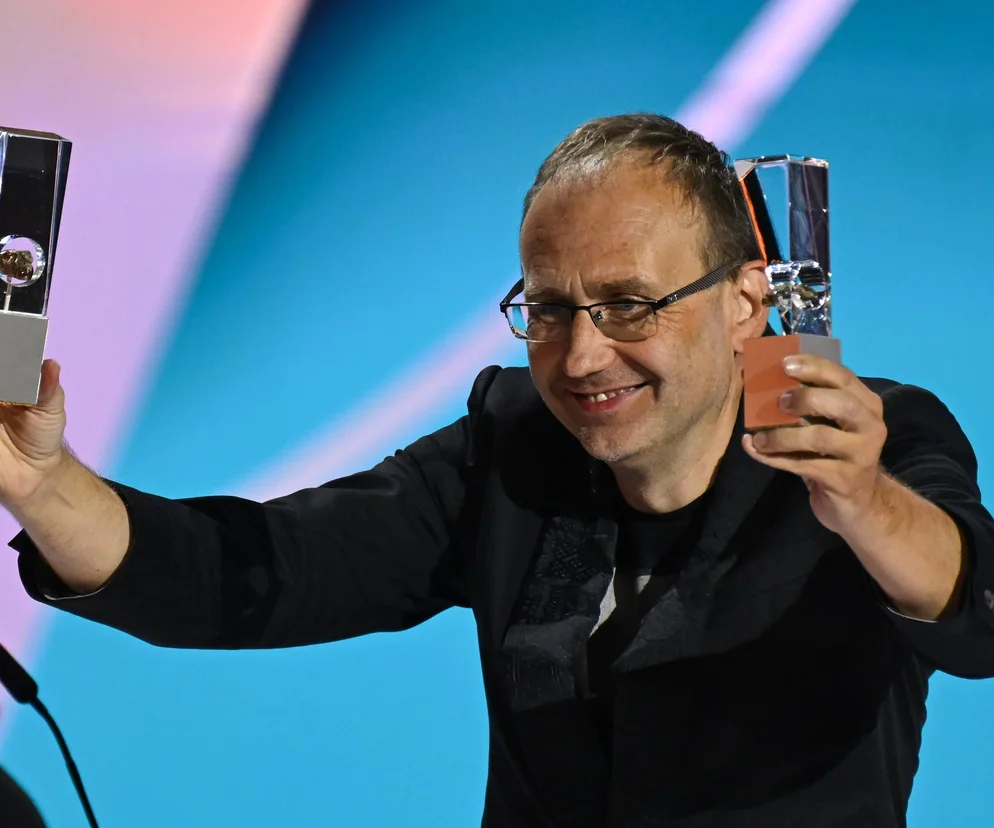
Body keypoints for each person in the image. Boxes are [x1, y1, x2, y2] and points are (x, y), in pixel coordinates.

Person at [5, 114, 994, 827]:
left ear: (745, 302)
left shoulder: (876, 440)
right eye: (550, 309)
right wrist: (44, 485)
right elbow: (258, 572)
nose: (582, 356)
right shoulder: (512, 445)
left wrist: (865, 504)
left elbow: (978, 616)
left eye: (628, 304)